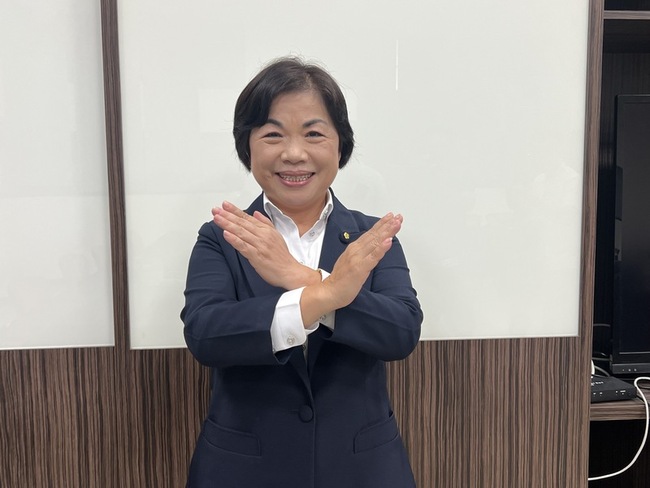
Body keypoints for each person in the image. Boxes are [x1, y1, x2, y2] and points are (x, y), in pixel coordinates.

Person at [181, 56, 423, 488]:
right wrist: (325, 294)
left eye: (313, 133)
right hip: (244, 470)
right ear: (247, 147)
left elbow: (400, 332)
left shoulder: (371, 238)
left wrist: (299, 276)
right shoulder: (222, 236)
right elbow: (206, 335)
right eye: (273, 134)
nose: (294, 153)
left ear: (340, 145)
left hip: (361, 469)